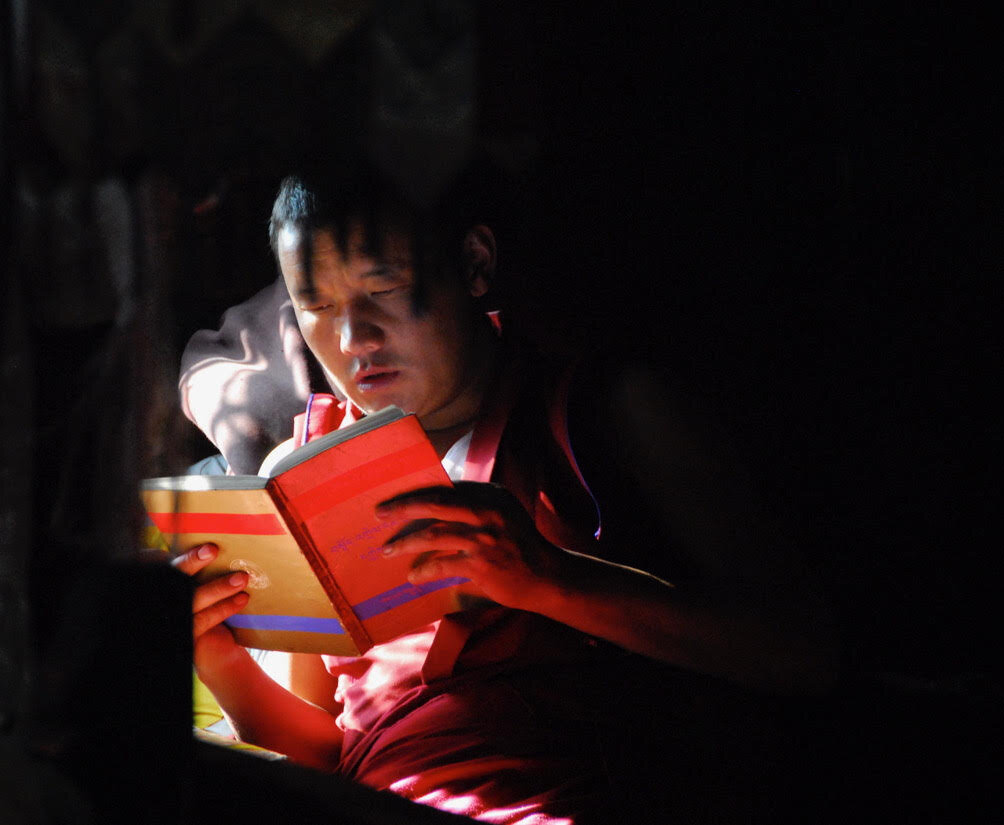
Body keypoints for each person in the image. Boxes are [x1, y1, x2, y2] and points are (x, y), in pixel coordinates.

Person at [174, 164, 840, 823]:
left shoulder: (603, 412)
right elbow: (328, 749)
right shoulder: (304, 473)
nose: (353, 341)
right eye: (316, 307)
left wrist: (547, 578)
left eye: (384, 289)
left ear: (473, 264)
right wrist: (217, 655)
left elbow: (802, 652)